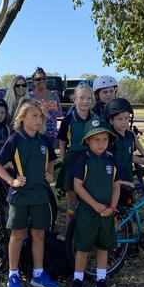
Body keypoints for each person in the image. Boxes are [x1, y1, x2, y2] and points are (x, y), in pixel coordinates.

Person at [0, 98, 59, 287]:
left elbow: (51, 161)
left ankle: (38, 275)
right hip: (20, 196)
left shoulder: (44, 140)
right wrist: (11, 182)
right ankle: (13, 274)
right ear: (22, 118)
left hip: (40, 195)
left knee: (39, 234)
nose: (38, 120)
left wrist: (49, 173)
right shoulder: (15, 139)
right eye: (34, 116)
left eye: (41, 117)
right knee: (18, 235)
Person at [68, 119, 121, 287]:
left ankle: (101, 280)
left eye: (104, 140)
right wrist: (95, 205)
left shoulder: (111, 161)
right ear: (87, 141)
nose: (101, 143)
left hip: (106, 212)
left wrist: (112, 207)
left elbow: (116, 186)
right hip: (88, 211)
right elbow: (77, 186)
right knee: (83, 246)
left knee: (103, 246)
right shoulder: (82, 161)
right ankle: (78, 279)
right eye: (96, 139)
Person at [57, 83, 96, 230]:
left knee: (88, 199)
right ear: (75, 100)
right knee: (72, 202)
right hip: (73, 161)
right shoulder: (68, 119)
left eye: (88, 98)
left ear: (92, 100)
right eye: (81, 98)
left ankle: (85, 231)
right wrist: (63, 156)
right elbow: (61, 140)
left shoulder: (95, 119)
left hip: (91, 161)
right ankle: (68, 232)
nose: (85, 101)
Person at [104, 98, 144, 189]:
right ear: (111, 121)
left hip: (128, 177)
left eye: (126, 118)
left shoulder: (129, 135)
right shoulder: (110, 138)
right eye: (119, 119)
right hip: (113, 181)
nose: (124, 122)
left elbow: (128, 157)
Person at [28, 67, 62, 149]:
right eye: (38, 79)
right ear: (33, 81)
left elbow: (59, 114)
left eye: (44, 78)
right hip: (35, 135)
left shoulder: (54, 95)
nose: (42, 81)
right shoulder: (29, 97)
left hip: (52, 137)